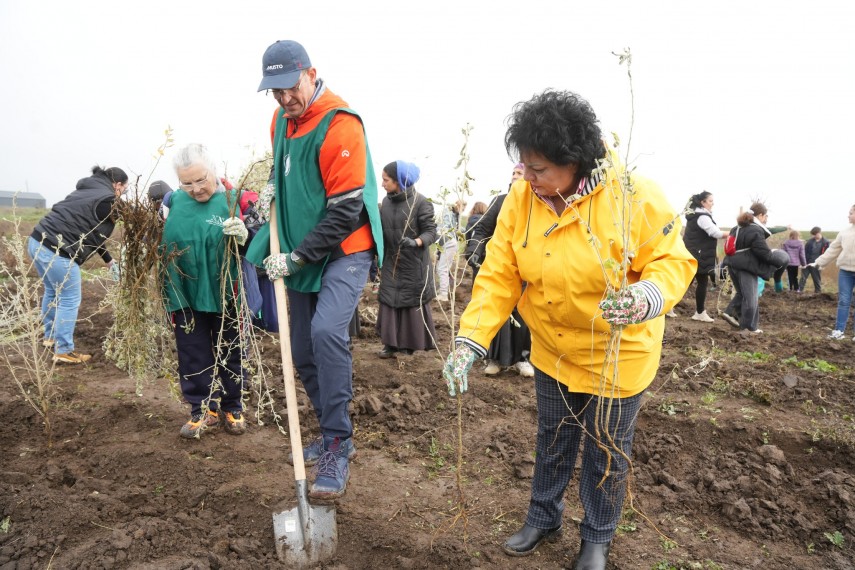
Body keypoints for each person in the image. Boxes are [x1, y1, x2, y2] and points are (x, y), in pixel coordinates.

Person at [442, 90, 696, 570]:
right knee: (553, 438)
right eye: (525, 167)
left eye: (539, 169)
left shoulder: (632, 196)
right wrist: (469, 340)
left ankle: (596, 538)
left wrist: (645, 297)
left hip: (616, 356)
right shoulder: (523, 199)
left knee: (606, 452)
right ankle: (544, 517)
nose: (527, 178)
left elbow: (672, 263)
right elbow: (500, 272)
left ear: (574, 161)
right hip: (554, 350)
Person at [245, 40, 383, 500]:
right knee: (300, 348)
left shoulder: (341, 124)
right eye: (275, 91)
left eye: (289, 87)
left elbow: (345, 212)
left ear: (310, 73)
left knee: (326, 333)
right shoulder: (280, 121)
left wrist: (298, 257)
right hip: (301, 240)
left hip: (344, 249)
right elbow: (281, 170)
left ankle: (340, 443)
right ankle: (327, 430)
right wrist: (268, 189)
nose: (285, 99)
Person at [161, 143, 257, 439]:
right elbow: (160, 237)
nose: (196, 188)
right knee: (192, 351)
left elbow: (260, 244)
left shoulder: (236, 199)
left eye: (201, 179)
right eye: (187, 183)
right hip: (183, 290)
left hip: (225, 289)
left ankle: (232, 406)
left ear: (213, 170)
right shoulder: (170, 202)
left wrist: (246, 235)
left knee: (230, 349)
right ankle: (202, 409)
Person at [28, 165, 128, 364]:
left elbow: (91, 232)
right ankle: (63, 350)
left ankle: (50, 337)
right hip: (59, 251)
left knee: (52, 290)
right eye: (124, 189)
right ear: (117, 185)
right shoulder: (108, 200)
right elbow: (130, 215)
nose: (123, 193)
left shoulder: (87, 190)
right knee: (69, 298)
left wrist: (108, 261)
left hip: (36, 241)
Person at [468, 163, 534, 378]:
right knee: (498, 313)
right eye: (513, 173)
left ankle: (523, 359)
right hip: (500, 267)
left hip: (526, 269)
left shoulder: (536, 203)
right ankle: (494, 359)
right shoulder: (500, 201)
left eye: (520, 173)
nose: (515, 176)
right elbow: (482, 229)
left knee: (522, 316)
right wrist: (474, 250)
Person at [376, 160, 438, 358]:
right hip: (391, 261)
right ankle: (390, 344)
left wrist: (416, 242)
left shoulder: (421, 202)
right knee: (389, 299)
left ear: (399, 181)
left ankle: (408, 345)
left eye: (386, 180)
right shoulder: (385, 202)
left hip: (413, 263)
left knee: (410, 301)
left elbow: (431, 232)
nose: (382, 184)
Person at [720, 202, 789, 333]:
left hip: (732, 264)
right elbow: (763, 253)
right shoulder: (755, 230)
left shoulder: (737, 227)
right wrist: (778, 261)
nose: (767, 219)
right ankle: (748, 328)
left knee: (742, 294)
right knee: (751, 298)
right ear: (761, 215)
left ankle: (731, 313)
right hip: (746, 266)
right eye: (766, 216)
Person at [682, 191, 727, 322]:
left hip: (695, 252)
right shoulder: (702, 217)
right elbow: (715, 233)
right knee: (700, 282)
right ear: (703, 202)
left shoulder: (695, 215)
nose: (713, 204)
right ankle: (699, 312)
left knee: (687, 282)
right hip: (699, 254)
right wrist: (733, 234)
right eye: (710, 201)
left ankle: (669, 307)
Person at [813, 205, 855, 340]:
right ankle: (838, 331)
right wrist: (818, 262)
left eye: (851, 213)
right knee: (843, 301)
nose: (848, 215)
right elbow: (833, 250)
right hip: (845, 272)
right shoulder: (844, 233)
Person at [435, 198, 465, 302]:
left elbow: (444, 229)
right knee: (442, 267)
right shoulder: (451, 214)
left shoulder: (451, 214)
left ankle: (443, 294)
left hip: (448, 243)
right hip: (449, 243)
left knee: (442, 268)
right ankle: (443, 291)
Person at [799, 226, 830, 292]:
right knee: (803, 278)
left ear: (819, 233)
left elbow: (827, 254)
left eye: (815, 234)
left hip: (817, 264)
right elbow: (804, 252)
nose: (814, 236)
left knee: (816, 279)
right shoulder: (810, 242)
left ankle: (817, 293)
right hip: (807, 263)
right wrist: (802, 262)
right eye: (813, 235)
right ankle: (799, 291)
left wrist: (823, 264)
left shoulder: (826, 242)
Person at [463, 201, 488, 281]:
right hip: (484, 253)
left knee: (477, 276)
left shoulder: (471, 221)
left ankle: (475, 292)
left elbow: (469, 238)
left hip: (474, 253)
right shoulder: (485, 221)